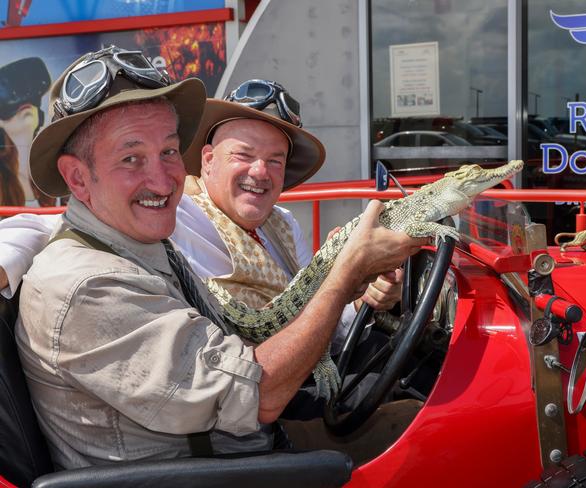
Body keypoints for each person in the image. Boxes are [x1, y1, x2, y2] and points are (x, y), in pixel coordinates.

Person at [12, 46, 426, 469]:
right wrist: (346, 272)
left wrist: (356, 285)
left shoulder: (142, 241)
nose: (162, 180)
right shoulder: (88, 281)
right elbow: (258, 394)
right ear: (77, 177)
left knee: (420, 417)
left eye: (170, 151)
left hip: (242, 447)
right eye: (131, 158)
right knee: (435, 442)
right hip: (221, 469)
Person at [0, 80, 402, 354]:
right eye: (243, 155)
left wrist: (364, 297)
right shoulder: (176, 210)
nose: (260, 172)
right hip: (249, 406)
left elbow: (314, 316)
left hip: (294, 380)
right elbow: (53, 225)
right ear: (208, 161)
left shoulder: (283, 224)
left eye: (274, 161)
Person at [0, 57, 53, 206]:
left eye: (34, 101)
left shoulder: (55, 172)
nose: (25, 105)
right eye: (8, 109)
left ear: (39, 116)